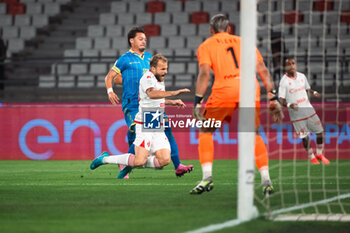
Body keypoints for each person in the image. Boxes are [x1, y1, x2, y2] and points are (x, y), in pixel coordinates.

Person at [191, 14, 283, 195]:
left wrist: (198, 100)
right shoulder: (245, 42)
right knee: (254, 134)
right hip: (249, 88)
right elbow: (263, 69)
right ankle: (266, 180)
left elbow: (204, 74)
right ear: (229, 28)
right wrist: (272, 96)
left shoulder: (206, 45)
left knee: (206, 130)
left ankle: (207, 178)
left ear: (211, 30)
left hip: (224, 89)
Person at [104, 27, 193, 179]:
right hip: (133, 104)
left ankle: (177, 165)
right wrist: (110, 91)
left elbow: (155, 83)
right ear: (131, 40)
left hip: (152, 105)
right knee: (135, 128)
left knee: (166, 129)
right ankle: (126, 162)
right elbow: (110, 77)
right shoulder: (125, 59)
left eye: (145, 39)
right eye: (140, 38)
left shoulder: (150, 59)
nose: (144, 41)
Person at [90, 54, 190, 172]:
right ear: (153, 69)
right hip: (145, 121)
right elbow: (152, 94)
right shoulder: (147, 78)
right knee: (139, 161)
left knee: (164, 160)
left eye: (166, 68)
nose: (166, 71)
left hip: (155, 120)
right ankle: (105, 159)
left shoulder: (158, 79)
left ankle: (131, 161)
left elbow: (156, 99)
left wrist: (173, 102)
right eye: (163, 69)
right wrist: (175, 93)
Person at [278, 58, 330, 165]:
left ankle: (319, 154)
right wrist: (289, 105)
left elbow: (307, 89)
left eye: (293, 63)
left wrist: (314, 92)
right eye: (289, 64)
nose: (292, 66)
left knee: (320, 132)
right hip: (296, 114)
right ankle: (312, 157)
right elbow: (281, 100)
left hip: (309, 109)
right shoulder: (284, 81)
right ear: (285, 67)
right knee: (304, 136)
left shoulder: (302, 76)